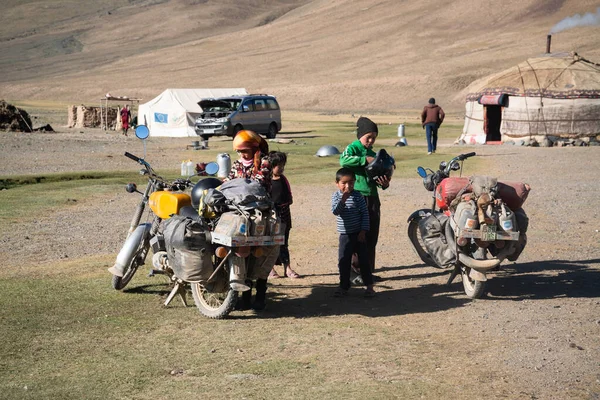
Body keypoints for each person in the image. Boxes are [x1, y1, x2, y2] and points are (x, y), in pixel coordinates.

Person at [224, 130, 274, 311]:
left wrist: (234, 185)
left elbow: (256, 184)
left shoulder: (264, 162)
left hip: (260, 212)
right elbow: (229, 181)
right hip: (240, 211)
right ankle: (244, 298)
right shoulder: (237, 163)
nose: (242, 155)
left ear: (254, 148)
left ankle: (260, 297)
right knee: (242, 253)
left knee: (260, 254)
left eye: (245, 151)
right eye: (239, 151)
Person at [339, 117, 390, 281]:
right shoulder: (353, 148)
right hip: (357, 197)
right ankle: (355, 273)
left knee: (371, 234)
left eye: (374, 138)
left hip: (372, 198)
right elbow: (343, 160)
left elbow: (378, 178)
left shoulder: (374, 154)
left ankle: (367, 273)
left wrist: (384, 183)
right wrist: (364, 160)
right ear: (360, 135)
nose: (370, 140)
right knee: (356, 234)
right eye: (368, 137)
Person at [331, 168, 375, 297]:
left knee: (364, 261)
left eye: (351, 182)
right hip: (345, 235)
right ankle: (344, 286)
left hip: (359, 234)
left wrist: (363, 231)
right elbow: (335, 212)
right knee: (344, 261)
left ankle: (369, 286)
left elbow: (365, 214)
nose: (347, 186)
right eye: (344, 183)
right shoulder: (336, 196)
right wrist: (343, 200)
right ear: (337, 183)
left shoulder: (358, 196)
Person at [267, 151, 300, 279]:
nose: (281, 168)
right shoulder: (267, 181)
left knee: (284, 242)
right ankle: (270, 269)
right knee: (270, 243)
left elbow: (289, 197)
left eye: (282, 165)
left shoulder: (284, 179)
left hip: (285, 214)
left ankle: (288, 268)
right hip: (272, 216)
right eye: (278, 165)